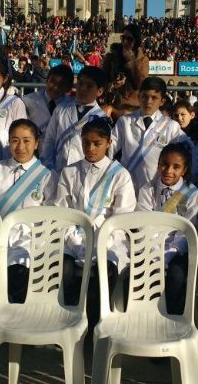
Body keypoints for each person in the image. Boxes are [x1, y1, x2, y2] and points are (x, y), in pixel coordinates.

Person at [54, 117, 136, 305]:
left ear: (109, 143)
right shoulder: (69, 172)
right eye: (86, 143)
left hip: (108, 239)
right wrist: (73, 240)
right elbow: (62, 211)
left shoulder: (120, 175)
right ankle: (68, 314)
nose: (90, 148)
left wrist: (102, 241)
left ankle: (95, 319)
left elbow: (121, 218)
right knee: (63, 269)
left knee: (106, 270)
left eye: (97, 143)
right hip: (72, 237)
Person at [0, 119, 58, 304]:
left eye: (27, 140)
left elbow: (51, 214)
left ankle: (4, 305)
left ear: (36, 143)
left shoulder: (47, 176)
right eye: (14, 140)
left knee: (20, 266)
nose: (20, 146)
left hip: (31, 235)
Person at [136, 142, 198, 315]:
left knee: (177, 276)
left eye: (176, 167)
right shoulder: (147, 189)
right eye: (164, 164)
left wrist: (169, 253)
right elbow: (144, 222)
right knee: (138, 270)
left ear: (184, 170)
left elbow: (187, 229)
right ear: (158, 165)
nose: (169, 170)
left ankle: (171, 316)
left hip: (177, 249)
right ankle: (143, 314)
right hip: (150, 246)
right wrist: (154, 250)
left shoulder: (192, 194)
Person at [110, 77, 198, 192]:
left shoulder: (171, 126)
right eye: (144, 96)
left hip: (156, 190)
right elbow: (109, 149)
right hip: (127, 187)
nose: (148, 101)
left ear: (162, 101)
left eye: (154, 97)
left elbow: (191, 154)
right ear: (139, 97)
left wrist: (184, 181)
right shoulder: (125, 122)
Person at [41, 65, 107, 171]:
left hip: (83, 173)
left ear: (99, 91)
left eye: (89, 86)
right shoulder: (61, 108)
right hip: (57, 170)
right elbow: (50, 140)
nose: (83, 89)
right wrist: (48, 166)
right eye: (80, 84)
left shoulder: (101, 118)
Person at [102, 24, 149, 117]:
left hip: (134, 108)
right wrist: (113, 85)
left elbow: (141, 84)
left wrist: (130, 62)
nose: (125, 41)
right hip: (114, 106)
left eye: (129, 39)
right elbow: (102, 80)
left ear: (136, 41)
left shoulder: (143, 60)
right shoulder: (111, 57)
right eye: (123, 37)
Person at [21, 63, 73, 134]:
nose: (55, 87)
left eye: (61, 84)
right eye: (52, 82)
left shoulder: (72, 105)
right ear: (47, 80)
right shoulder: (27, 101)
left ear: (68, 88)